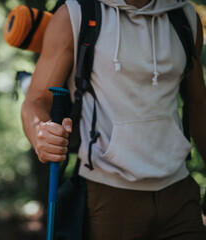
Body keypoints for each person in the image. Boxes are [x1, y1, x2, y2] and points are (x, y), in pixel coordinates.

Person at [21, 0, 206, 239]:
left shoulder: (184, 16)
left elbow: (198, 103)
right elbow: (36, 102)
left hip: (179, 192)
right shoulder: (74, 15)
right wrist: (40, 137)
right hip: (108, 193)